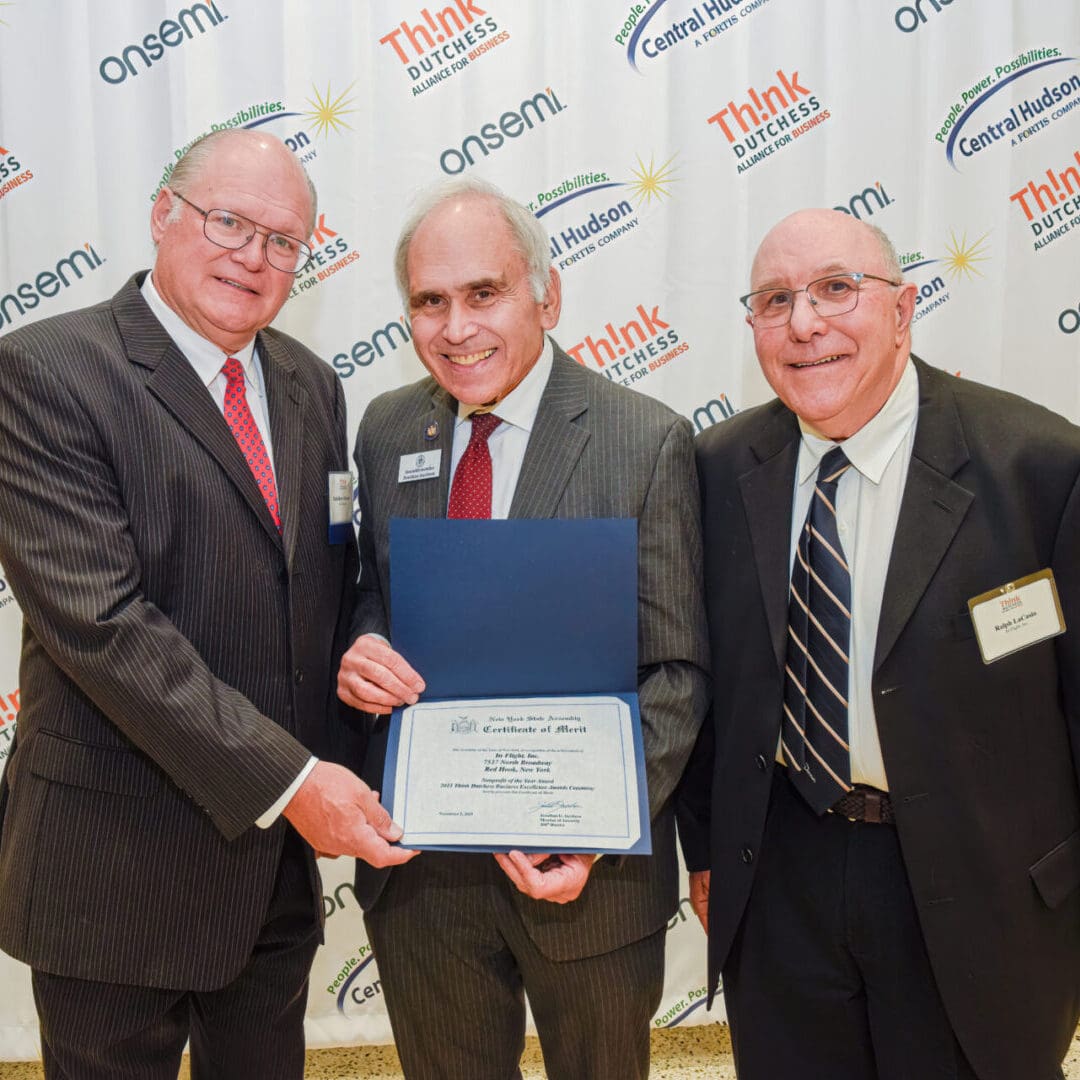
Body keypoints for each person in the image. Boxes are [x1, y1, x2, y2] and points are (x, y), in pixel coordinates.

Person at [0, 129, 413, 1080]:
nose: (253, 257)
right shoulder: (46, 373)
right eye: (229, 222)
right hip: (114, 868)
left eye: (282, 241)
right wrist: (296, 781)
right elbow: (104, 628)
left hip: (267, 872)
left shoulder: (312, 384)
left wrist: (362, 640)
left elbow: (331, 575)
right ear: (161, 213)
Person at [676, 207, 1080, 1080]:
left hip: (982, 884)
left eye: (835, 290)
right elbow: (709, 682)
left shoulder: (1040, 466)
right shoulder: (714, 468)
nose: (805, 323)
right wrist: (706, 850)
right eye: (774, 301)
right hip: (784, 869)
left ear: (902, 310)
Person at [336, 177, 709, 1080]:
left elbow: (678, 670)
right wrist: (363, 648)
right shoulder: (389, 429)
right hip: (423, 870)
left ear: (547, 295)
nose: (455, 327)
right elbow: (372, 590)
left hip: (586, 877)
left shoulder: (643, 439)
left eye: (483, 293)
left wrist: (588, 823)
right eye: (430, 301)